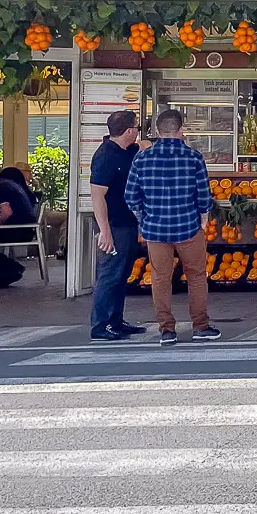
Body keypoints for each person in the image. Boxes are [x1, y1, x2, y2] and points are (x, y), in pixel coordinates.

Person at [124, 107, 220, 346]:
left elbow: (130, 196)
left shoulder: (142, 158)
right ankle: (200, 325)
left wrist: (143, 217)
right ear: (181, 131)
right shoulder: (193, 157)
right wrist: (204, 217)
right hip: (188, 227)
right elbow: (204, 196)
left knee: (160, 278)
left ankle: (167, 329)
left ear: (157, 131)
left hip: (155, 229)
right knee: (197, 276)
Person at [88, 109, 146, 341]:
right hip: (113, 226)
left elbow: (145, 145)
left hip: (128, 223)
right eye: (136, 128)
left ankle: (115, 320)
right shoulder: (105, 157)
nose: (137, 132)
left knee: (122, 275)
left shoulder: (126, 150)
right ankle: (100, 325)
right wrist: (105, 231)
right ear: (129, 130)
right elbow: (97, 196)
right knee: (110, 275)